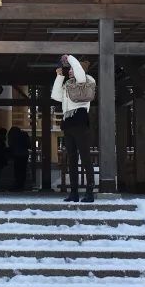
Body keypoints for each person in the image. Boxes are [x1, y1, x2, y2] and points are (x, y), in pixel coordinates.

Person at [52, 54, 97, 203]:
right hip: (68, 122)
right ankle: (74, 193)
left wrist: (69, 57)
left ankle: (90, 193)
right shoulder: (68, 85)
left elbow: (78, 70)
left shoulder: (85, 81)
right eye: (69, 69)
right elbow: (56, 96)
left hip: (80, 120)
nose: (70, 71)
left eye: (71, 69)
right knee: (71, 159)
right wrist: (59, 77)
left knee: (85, 158)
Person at [8, 125, 30, 191]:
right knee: (23, 170)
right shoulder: (24, 135)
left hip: (17, 154)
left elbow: (10, 144)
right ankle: (21, 185)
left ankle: (17, 185)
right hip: (24, 154)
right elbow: (29, 145)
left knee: (17, 171)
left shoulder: (13, 136)